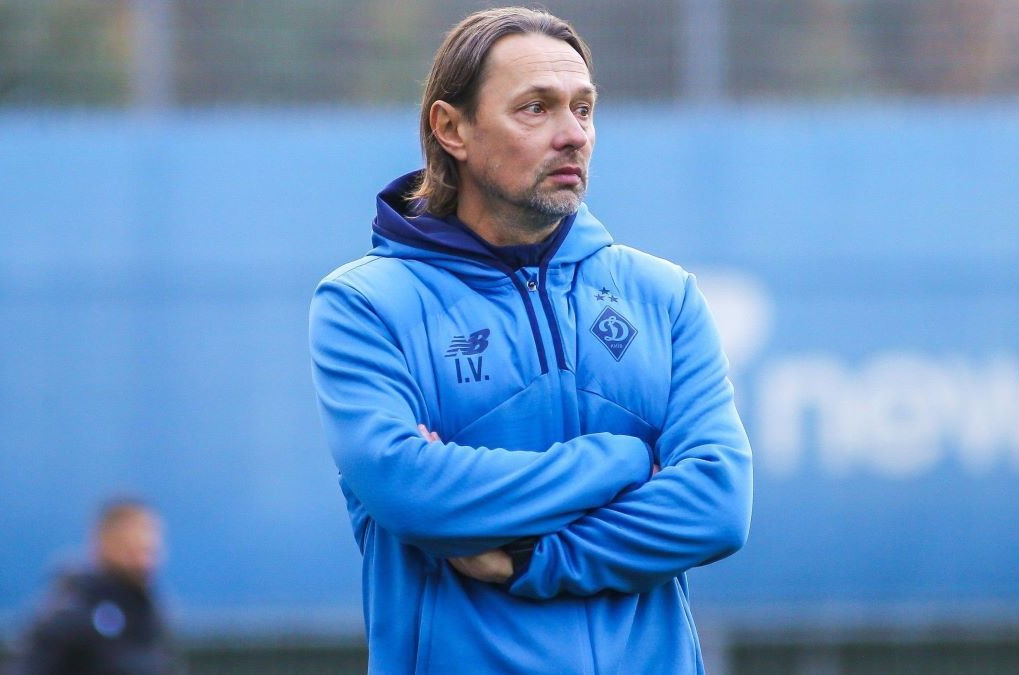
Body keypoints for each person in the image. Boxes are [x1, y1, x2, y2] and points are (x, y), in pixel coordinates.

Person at [308, 6, 753, 673]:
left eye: (583, 109)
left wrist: (532, 560)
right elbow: (411, 490)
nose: (572, 135)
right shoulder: (364, 305)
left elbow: (718, 505)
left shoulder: (665, 295)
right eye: (536, 109)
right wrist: (624, 460)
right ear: (451, 128)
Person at [8, 498, 180, 675]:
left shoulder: (150, 610)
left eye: (149, 550)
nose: (144, 562)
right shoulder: (73, 608)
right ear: (104, 543)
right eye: (133, 549)